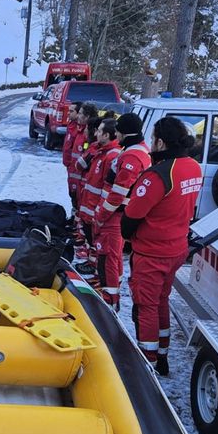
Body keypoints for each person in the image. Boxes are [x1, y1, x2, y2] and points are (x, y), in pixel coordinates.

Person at [122, 116, 203, 374]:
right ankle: (163, 353)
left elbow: (132, 216)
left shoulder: (157, 175)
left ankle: (148, 362)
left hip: (152, 251)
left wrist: (127, 235)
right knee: (161, 300)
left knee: (145, 306)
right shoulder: (192, 166)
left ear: (160, 141)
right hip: (176, 248)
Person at [93, 113, 151, 311]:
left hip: (114, 215)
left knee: (108, 257)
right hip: (117, 214)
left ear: (124, 132)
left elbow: (118, 192)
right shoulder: (135, 151)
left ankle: (109, 299)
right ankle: (112, 292)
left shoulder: (132, 156)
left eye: (117, 130)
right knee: (113, 256)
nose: (115, 133)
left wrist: (101, 216)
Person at [75, 116, 106, 277]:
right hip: (88, 199)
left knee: (97, 240)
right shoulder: (97, 150)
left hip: (97, 206)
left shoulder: (106, 155)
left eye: (100, 131)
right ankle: (91, 262)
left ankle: (95, 268)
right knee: (90, 234)